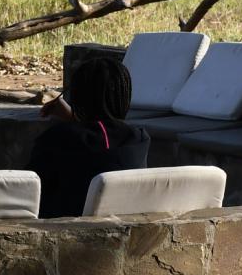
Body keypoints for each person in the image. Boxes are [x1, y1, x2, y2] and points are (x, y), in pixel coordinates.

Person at [26, 57, 151, 218]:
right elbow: (102, 143)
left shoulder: (58, 139)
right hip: (122, 227)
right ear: (124, 96)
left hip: (62, 230)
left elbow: (29, 188)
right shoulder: (138, 139)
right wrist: (74, 118)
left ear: (77, 96)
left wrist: (74, 119)